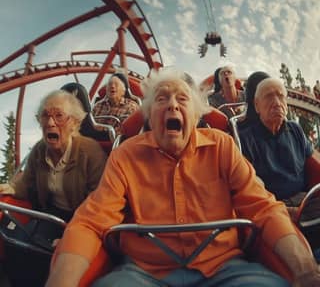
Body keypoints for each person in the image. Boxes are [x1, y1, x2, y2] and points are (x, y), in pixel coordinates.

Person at [46, 68, 320, 287]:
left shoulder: (222, 146)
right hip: (142, 272)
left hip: (225, 267)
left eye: (182, 99)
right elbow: (91, 223)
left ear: (196, 114)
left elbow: (263, 208)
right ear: (151, 115)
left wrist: (305, 270)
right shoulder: (125, 156)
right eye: (162, 99)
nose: (172, 106)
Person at [0, 90, 106, 222]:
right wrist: (12, 188)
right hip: (50, 215)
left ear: (74, 123)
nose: (50, 123)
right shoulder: (39, 149)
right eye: (45, 116)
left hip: (82, 219)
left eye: (59, 115)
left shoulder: (91, 152)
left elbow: (99, 201)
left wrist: (73, 231)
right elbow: (26, 183)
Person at [238, 78, 320, 219]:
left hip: (306, 199)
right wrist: (283, 211)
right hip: (273, 208)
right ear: (257, 106)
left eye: (281, 96)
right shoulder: (244, 140)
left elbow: (315, 161)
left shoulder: (296, 129)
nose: (277, 102)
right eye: (269, 96)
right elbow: (250, 191)